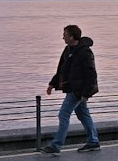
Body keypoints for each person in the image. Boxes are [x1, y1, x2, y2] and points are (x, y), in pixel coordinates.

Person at [43, 24, 100, 153]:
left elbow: (91, 74)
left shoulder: (84, 52)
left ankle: (55, 145)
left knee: (63, 114)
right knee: (84, 115)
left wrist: (85, 93)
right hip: (72, 88)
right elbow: (62, 69)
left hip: (78, 91)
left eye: (65, 35)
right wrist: (52, 84)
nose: (62, 37)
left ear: (72, 36)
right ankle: (93, 141)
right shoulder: (68, 50)